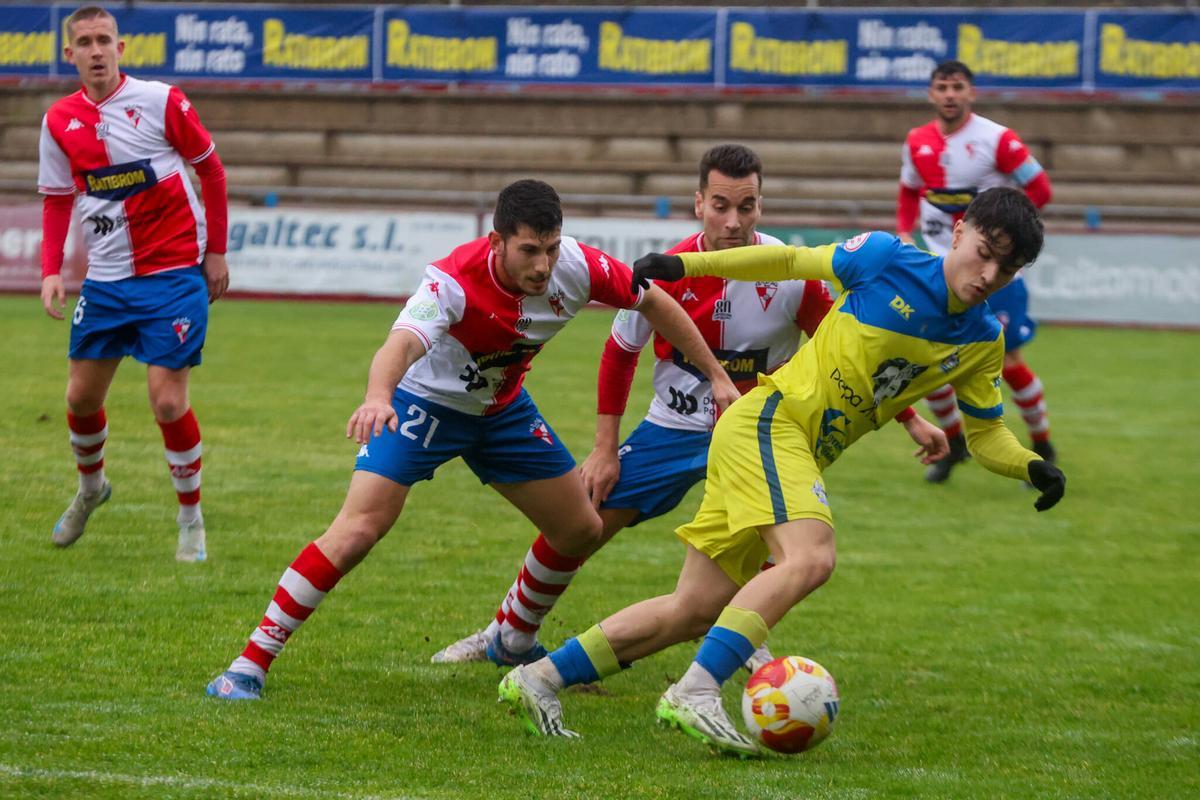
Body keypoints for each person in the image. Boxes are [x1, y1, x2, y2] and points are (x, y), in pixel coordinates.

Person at [498, 187, 1067, 755]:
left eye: (1008, 268)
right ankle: (696, 690)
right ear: (960, 229)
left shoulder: (981, 338)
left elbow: (987, 433)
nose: (990, 273)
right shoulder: (886, 258)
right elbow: (789, 261)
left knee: (693, 609)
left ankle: (539, 678)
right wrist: (685, 264)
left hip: (783, 445)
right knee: (811, 556)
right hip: (771, 423)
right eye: (985, 251)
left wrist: (1031, 466)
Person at [205, 179, 739, 700]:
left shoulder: (578, 266)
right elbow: (402, 343)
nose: (542, 265)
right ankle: (249, 663)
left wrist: (716, 376)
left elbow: (655, 303)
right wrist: (376, 396)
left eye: (550, 249)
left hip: (502, 413)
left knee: (579, 529)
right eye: (529, 250)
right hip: (423, 407)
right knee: (358, 530)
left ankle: (513, 639)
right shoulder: (452, 281)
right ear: (496, 242)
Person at [432, 144, 945, 669]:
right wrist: (605, 448)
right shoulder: (668, 269)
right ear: (699, 202)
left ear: (760, 207)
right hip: (674, 427)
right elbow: (619, 352)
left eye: (746, 207)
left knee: (783, 544)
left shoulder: (790, 273)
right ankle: (510, 632)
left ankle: (740, 635)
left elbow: (847, 356)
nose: (733, 220)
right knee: (584, 519)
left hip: (761, 436)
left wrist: (911, 418)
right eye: (720, 205)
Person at [39, 6, 229, 561]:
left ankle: (190, 518)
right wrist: (52, 268)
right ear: (69, 53)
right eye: (84, 42)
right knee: (79, 397)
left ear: (121, 48)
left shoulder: (161, 101)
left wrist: (215, 251)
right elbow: (55, 200)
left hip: (173, 273)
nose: (96, 50)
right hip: (106, 281)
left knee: (167, 402)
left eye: (105, 40)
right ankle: (92, 487)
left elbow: (211, 171)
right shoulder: (57, 121)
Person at [898, 59, 1057, 483]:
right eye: (942, 87)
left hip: (995, 279)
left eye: (957, 87)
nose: (950, 94)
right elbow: (910, 190)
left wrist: (1012, 239)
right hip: (940, 271)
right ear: (931, 94)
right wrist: (903, 230)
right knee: (926, 363)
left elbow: (1040, 188)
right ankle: (954, 444)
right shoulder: (917, 141)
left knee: (1007, 363)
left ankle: (1042, 446)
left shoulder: (998, 140)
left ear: (971, 92)